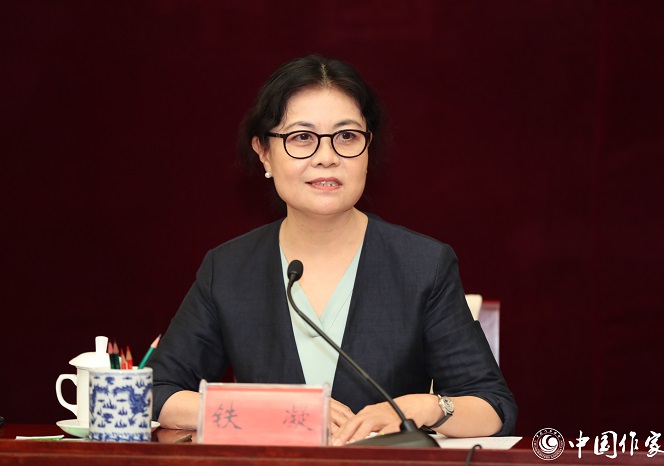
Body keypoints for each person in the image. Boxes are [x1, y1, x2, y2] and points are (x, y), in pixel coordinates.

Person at [149, 54, 517, 444]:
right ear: (264, 152)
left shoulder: (422, 265)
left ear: (367, 148)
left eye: (347, 137)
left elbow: (494, 407)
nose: (327, 158)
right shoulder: (227, 269)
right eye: (301, 138)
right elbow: (158, 391)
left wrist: (425, 408)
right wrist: (278, 412)